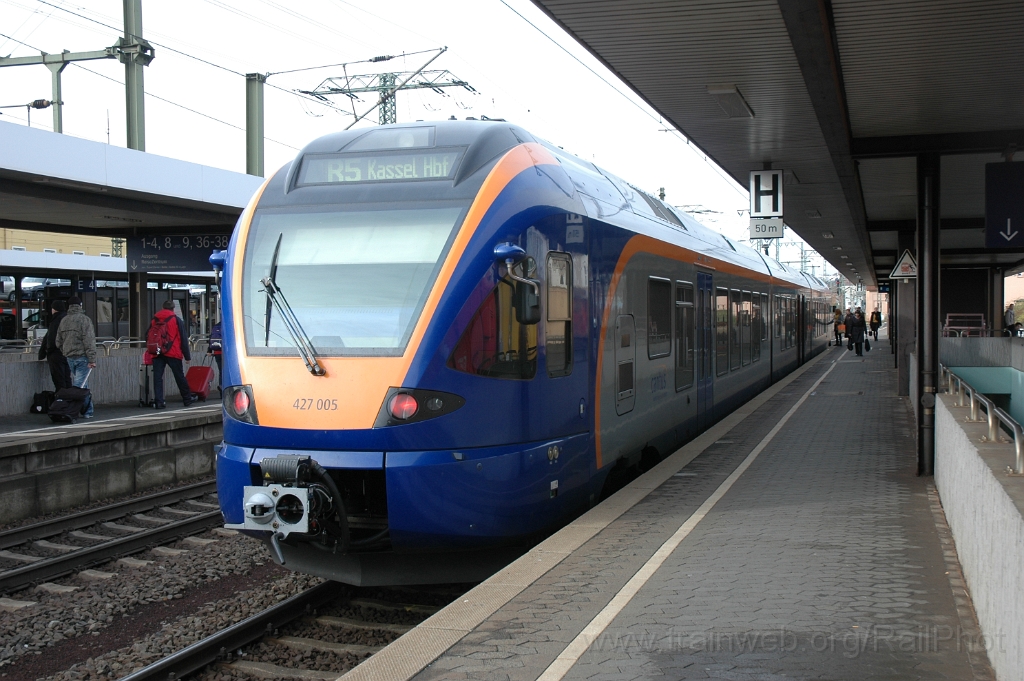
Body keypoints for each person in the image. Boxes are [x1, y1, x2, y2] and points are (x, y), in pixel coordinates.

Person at [147, 300, 195, 409]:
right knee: (179, 376)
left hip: (157, 352)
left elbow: (148, 335)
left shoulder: (154, 319)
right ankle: (187, 399)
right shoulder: (176, 320)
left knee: (157, 377)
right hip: (173, 352)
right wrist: (187, 356)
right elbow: (183, 338)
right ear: (173, 309)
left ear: (163, 307)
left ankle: (159, 401)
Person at [55, 296, 96, 418]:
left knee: (82, 384)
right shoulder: (85, 320)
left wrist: (65, 351)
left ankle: (87, 410)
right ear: (80, 305)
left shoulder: (64, 320)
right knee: (79, 386)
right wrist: (92, 358)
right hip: (83, 357)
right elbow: (89, 340)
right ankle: (76, 411)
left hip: (69, 357)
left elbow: (58, 341)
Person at [38, 300, 72, 391]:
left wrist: (46, 351)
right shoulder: (67, 318)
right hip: (67, 352)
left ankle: (62, 400)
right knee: (66, 378)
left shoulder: (56, 320)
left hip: (56, 353)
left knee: (59, 380)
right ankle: (69, 399)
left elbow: (51, 337)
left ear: (54, 309)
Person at [207, 320, 223, 396]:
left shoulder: (216, 326)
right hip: (226, 353)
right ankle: (223, 388)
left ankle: (221, 388)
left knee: (221, 371)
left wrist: (209, 350)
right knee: (226, 372)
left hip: (217, 353)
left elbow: (210, 339)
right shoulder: (229, 325)